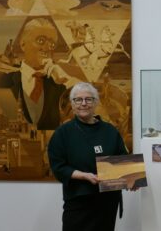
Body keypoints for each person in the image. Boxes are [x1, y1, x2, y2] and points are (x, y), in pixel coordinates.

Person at [48, 82, 130, 231]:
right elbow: (58, 167)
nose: (83, 103)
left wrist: (131, 178)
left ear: (96, 102)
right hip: (79, 202)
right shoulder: (62, 133)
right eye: (78, 100)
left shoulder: (110, 131)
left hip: (107, 203)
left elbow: (123, 160)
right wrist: (84, 176)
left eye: (89, 99)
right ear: (72, 104)